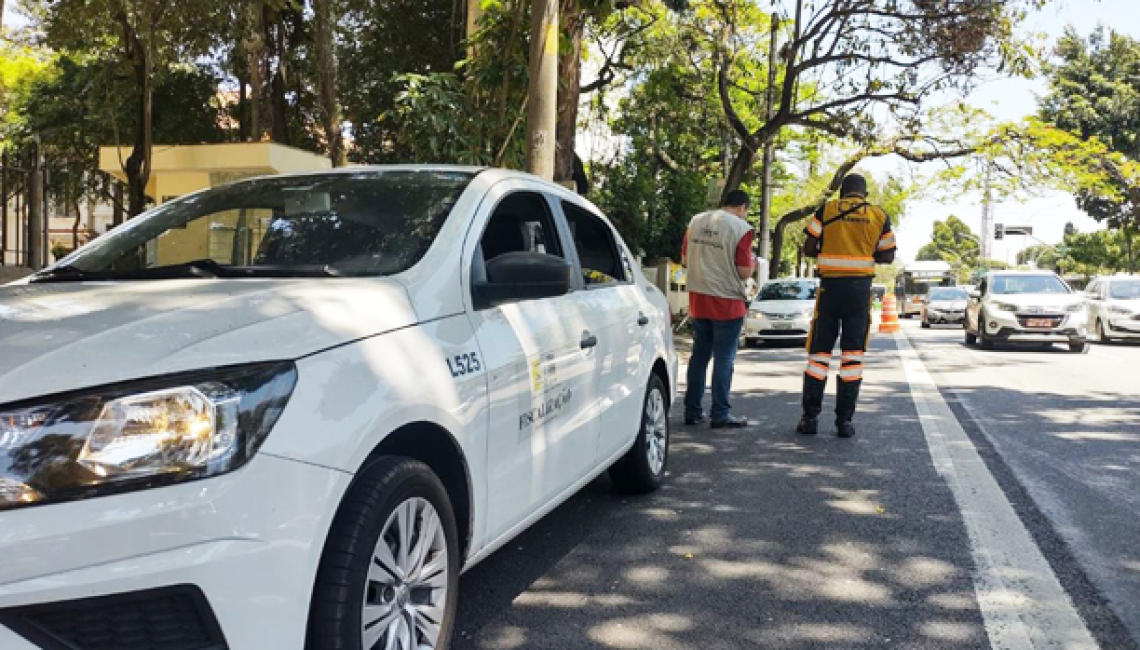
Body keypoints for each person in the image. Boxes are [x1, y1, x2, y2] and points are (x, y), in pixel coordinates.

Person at [797, 173, 896, 438]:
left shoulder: (826, 210)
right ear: (864, 193)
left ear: (843, 192)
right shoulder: (878, 215)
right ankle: (844, 423)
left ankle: (809, 419)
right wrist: (864, 251)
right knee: (852, 357)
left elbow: (807, 247)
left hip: (830, 290)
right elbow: (888, 255)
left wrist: (829, 247)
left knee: (819, 355)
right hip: (859, 292)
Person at [681, 190, 756, 428]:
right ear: (743, 207)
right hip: (727, 301)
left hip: (698, 298)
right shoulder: (741, 229)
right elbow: (744, 271)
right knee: (724, 358)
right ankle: (720, 414)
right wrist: (752, 264)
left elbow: (684, 259)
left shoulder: (696, 221)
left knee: (699, 356)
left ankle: (692, 411)